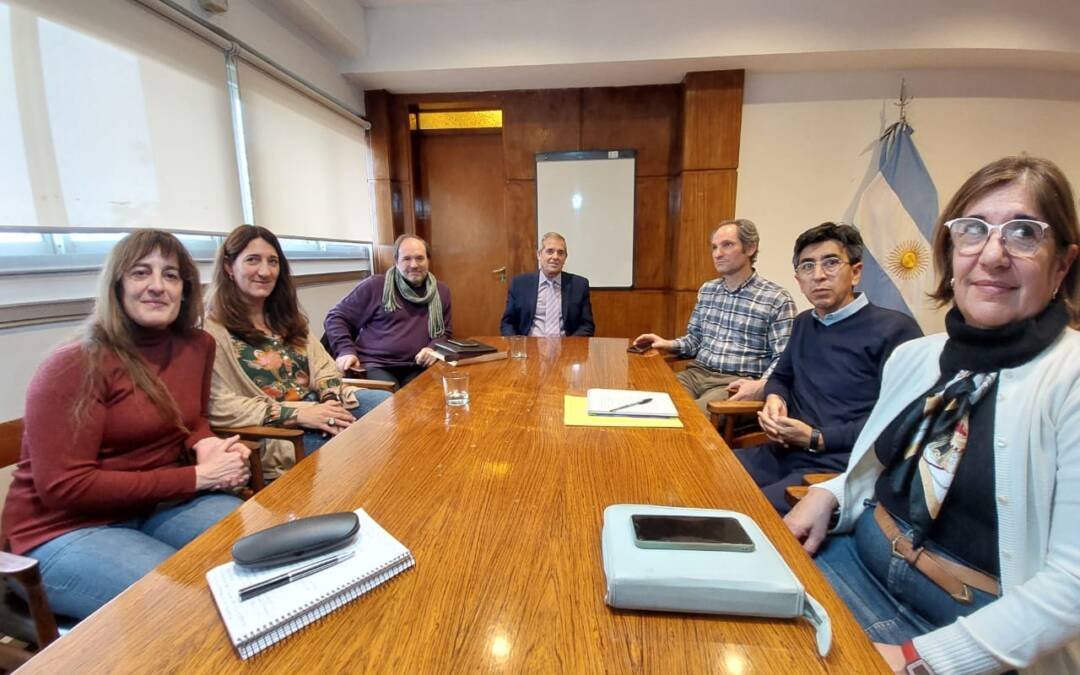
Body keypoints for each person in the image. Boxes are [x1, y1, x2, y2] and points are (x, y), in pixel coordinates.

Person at [784, 156, 1080, 674]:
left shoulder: (1069, 378)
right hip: (852, 562)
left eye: (1024, 233)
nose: (992, 254)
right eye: (972, 230)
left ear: (1063, 264)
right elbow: (874, 470)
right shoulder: (917, 357)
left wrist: (920, 660)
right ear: (950, 251)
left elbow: (1072, 587)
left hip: (963, 637)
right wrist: (830, 492)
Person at [0, 230, 250, 620]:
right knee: (188, 605)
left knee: (257, 552)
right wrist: (198, 478)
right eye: (140, 273)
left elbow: (193, 419)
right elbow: (65, 487)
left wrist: (206, 444)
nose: (157, 286)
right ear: (116, 285)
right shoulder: (73, 363)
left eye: (171, 275)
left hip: (154, 506)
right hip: (63, 529)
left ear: (185, 288)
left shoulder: (197, 345)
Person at [738, 223, 922, 513]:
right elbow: (781, 377)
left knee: (741, 512)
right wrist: (775, 399)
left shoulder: (895, 330)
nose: (819, 275)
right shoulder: (803, 323)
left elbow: (901, 420)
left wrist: (817, 438)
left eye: (831, 263)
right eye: (807, 266)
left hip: (835, 467)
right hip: (781, 451)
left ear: (856, 272)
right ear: (798, 280)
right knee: (704, 476)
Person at [205, 225, 391, 480]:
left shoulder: (287, 319)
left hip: (322, 407)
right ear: (228, 267)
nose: (265, 271)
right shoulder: (212, 331)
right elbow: (220, 406)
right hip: (279, 430)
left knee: (389, 410)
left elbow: (324, 366)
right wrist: (297, 414)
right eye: (252, 260)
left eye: (273, 261)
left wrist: (329, 402)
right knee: (357, 451)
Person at [633, 218, 796, 411]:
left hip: (734, 382)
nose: (717, 254)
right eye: (714, 247)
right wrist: (667, 344)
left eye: (727, 245)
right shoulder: (708, 290)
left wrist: (762, 385)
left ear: (750, 248)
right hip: (696, 374)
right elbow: (695, 340)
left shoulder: (776, 298)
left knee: (687, 418)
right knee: (642, 403)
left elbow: (784, 358)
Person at [325, 234, 451, 388]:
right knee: (393, 405)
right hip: (376, 365)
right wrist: (345, 350)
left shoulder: (441, 291)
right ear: (396, 262)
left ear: (428, 260)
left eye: (419, 258)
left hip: (417, 366)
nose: (414, 265)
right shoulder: (375, 286)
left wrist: (433, 349)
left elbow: (445, 333)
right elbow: (335, 317)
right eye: (406, 259)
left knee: (430, 400)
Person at [500, 232, 595, 337]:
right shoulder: (519, 284)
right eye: (550, 251)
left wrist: (569, 346)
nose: (555, 257)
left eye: (560, 253)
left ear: (565, 258)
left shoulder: (579, 285)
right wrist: (517, 346)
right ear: (539, 255)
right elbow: (507, 323)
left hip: (566, 347)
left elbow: (587, 326)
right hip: (529, 346)